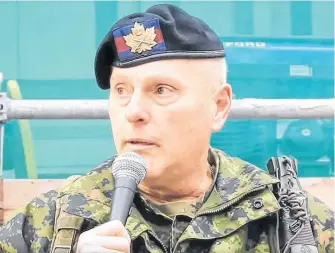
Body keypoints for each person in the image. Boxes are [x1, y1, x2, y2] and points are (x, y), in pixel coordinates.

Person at [0, 4, 333, 253]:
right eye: (121, 91)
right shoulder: (53, 220)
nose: (134, 112)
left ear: (218, 107)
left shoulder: (290, 223)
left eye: (161, 90)